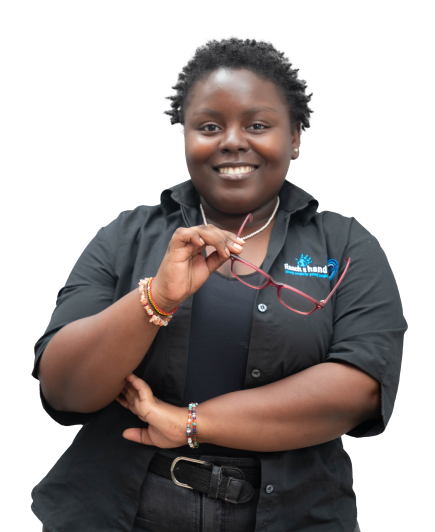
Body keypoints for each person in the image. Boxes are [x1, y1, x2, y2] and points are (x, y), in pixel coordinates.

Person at [32, 35, 407, 532]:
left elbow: (359, 389)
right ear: (185, 135)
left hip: (295, 516)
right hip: (121, 512)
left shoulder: (348, 244)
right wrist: (156, 298)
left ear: (296, 136)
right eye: (209, 126)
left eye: (257, 125)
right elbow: (64, 389)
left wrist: (189, 423)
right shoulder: (126, 235)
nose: (232, 141)